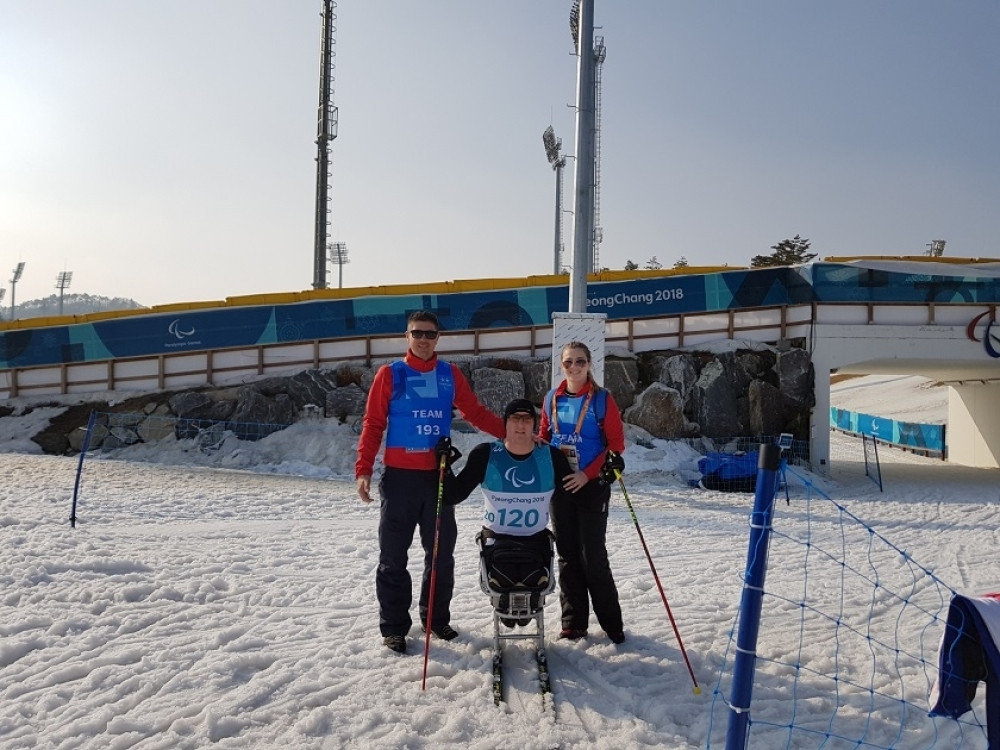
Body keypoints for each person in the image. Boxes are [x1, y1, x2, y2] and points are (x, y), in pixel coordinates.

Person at [355, 310, 505, 654]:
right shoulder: (391, 374)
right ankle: (394, 626)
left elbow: (476, 413)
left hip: (438, 478)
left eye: (430, 334)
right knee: (393, 557)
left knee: (440, 556)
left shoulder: (449, 374)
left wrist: (514, 433)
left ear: (438, 338)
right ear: (407, 336)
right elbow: (373, 422)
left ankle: (436, 619)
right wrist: (363, 468)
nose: (423, 340)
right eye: (417, 333)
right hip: (399, 480)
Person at [442, 398, 574, 626]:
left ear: (534, 424)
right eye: (515, 419)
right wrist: (445, 466)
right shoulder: (486, 454)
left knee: (533, 589)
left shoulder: (551, 457)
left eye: (526, 419)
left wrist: (602, 476)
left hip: (535, 543)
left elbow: (575, 494)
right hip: (497, 542)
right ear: (505, 424)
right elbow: (455, 495)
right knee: (502, 590)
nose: (520, 425)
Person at [539, 340, 628, 644]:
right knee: (566, 555)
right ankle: (573, 623)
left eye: (580, 362)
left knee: (592, 555)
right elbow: (543, 436)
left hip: (591, 484)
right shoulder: (552, 397)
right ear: (560, 366)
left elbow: (616, 445)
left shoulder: (602, 399)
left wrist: (587, 474)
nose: (574, 367)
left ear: (589, 365)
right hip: (561, 486)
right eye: (568, 363)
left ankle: (611, 624)